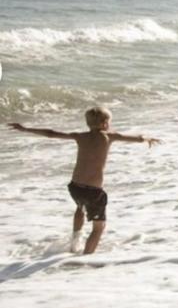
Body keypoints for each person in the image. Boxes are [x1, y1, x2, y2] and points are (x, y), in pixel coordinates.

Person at [7, 106, 160, 254]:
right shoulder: (109, 136)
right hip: (94, 191)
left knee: (80, 207)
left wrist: (25, 129)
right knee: (99, 227)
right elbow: (135, 139)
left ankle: (75, 242)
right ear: (105, 123)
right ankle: (86, 259)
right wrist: (147, 139)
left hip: (75, 187)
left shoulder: (80, 136)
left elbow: (51, 133)